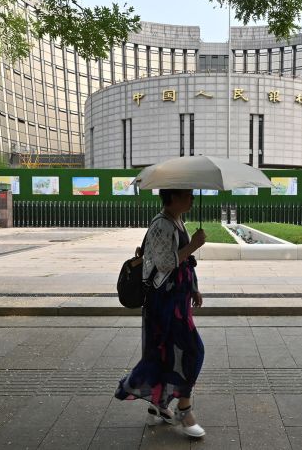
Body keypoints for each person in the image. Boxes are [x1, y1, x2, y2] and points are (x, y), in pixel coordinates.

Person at [114, 188, 207, 438]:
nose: (192, 198)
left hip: (177, 300)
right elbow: (166, 263)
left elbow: (185, 263)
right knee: (193, 351)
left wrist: (194, 288)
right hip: (164, 303)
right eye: (187, 194)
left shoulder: (177, 221)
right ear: (173, 197)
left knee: (165, 353)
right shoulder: (161, 224)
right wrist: (195, 245)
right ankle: (184, 409)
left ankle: (158, 406)